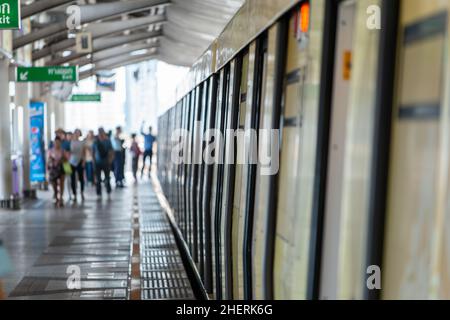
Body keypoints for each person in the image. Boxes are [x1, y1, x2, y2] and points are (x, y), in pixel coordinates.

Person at [93, 128, 114, 197]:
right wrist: (94, 161)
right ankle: (99, 192)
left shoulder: (107, 141)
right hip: (98, 163)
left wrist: (110, 160)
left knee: (107, 177)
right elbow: (93, 152)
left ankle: (108, 190)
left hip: (105, 162)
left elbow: (111, 151)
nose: (101, 134)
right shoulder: (96, 141)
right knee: (98, 178)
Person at [47, 136, 67, 207]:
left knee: (61, 183)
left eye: (58, 143)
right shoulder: (50, 151)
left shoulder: (62, 150)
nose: (57, 144)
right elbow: (48, 161)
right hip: (53, 169)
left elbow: (66, 160)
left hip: (61, 168)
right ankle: (56, 194)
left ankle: (61, 197)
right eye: (56, 143)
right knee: (54, 183)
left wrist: (62, 159)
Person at [69, 129, 85, 202]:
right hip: (71, 162)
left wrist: (83, 161)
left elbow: (83, 152)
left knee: (81, 178)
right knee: (72, 178)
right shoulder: (70, 142)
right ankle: (74, 193)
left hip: (80, 161)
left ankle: (81, 192)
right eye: (76, 133)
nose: (77, 134)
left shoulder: (82, 142)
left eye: (78, 133)